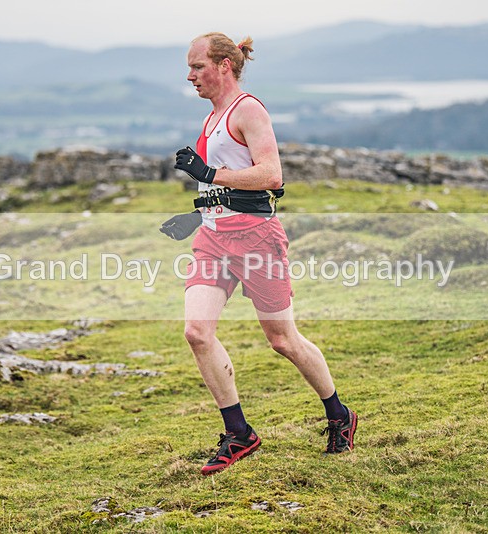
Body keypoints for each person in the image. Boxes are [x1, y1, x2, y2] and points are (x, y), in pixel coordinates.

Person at [160, 32, 357, 476]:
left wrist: (208, 171)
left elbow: (270, 174)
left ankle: (339, 414)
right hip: (212, 238)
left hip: (255, 240)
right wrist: (196, 213)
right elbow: (222, 185)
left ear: (224, 66)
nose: (189, 75)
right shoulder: (213, 117)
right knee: (196, 332)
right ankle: (239, 432)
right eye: (189, 67)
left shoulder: (247, 109)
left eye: (197, 66)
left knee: (282, 340)